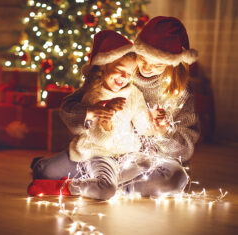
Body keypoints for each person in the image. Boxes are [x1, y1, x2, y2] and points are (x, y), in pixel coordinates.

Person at [29, 16, 200, 199]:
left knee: (175, 179)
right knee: (45, 172)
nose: (147, 68)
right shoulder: (120, 69)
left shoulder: (180, 92)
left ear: (172, 63)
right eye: (142, 59)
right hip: (102, 152)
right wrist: (92, 114)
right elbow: (71, 106)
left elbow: (184, 149)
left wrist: (163, 133)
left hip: (145, 163)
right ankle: (102, 184)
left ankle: (102, 185)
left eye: (157, 64)